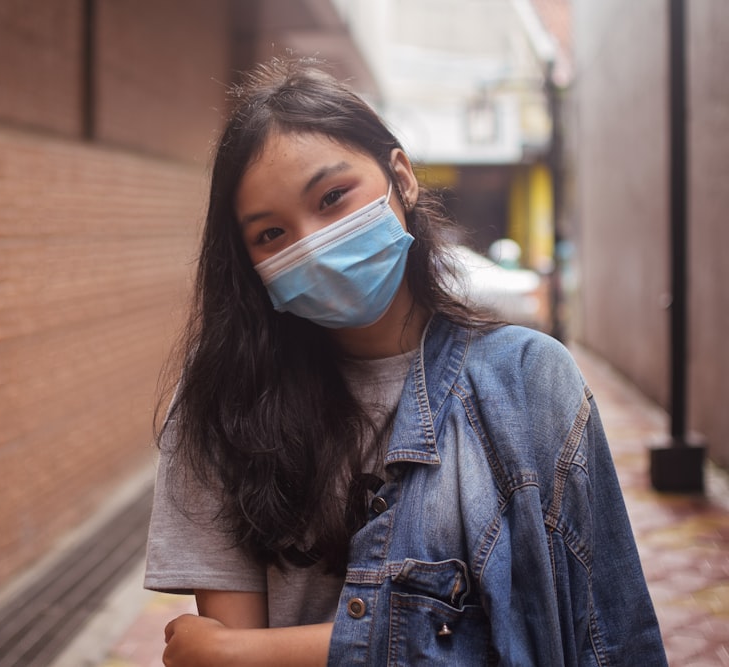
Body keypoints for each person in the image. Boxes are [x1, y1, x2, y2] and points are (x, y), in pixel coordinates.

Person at [144, 58, 666, 666]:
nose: (313, 242)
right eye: (271, 235)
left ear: (402, 177)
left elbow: (591, 636)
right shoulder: (222, 405)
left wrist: (252, 653)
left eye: (334, 197)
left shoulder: (529, 382)